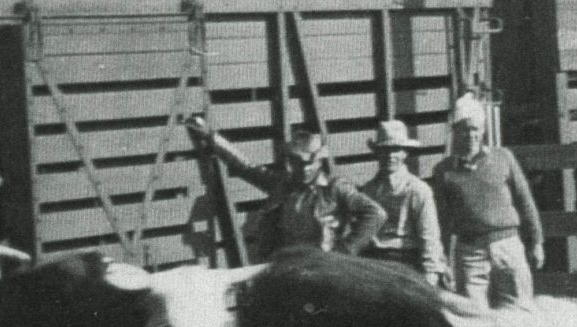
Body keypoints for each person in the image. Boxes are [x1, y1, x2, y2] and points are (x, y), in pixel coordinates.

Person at [184, 117, 385, 259]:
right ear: (291, 162)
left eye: (311, 163)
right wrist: (211, 136)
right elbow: (245, 166)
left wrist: (346, 250)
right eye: (299, 163)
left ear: (319, 162)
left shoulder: (335, 188)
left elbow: (375, 213)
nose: (305, 169)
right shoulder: (281, 185)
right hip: (288, 263)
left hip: (325, 265)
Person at [427, 91, 542, 307]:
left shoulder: (503, 158)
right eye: (464, 130)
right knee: (473, 314)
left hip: (507, 245)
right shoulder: (444, 171)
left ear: (483, 131)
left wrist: (537, 241)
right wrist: (442, 260)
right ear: (454, 132)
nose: (470, 135)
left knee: (520, 307)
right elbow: (442, 220)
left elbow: (525, 201)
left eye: (475, 129)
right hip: (470, 251)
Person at [358, 118, 447, 287]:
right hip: (374, 263)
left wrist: (431, 273)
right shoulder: (369, 190)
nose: (391, 156)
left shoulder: (417, 189)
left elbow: (429, 236)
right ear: (377, 153)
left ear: (405, 153)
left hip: (405, 262)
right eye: (385, 150)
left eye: (396, 150)